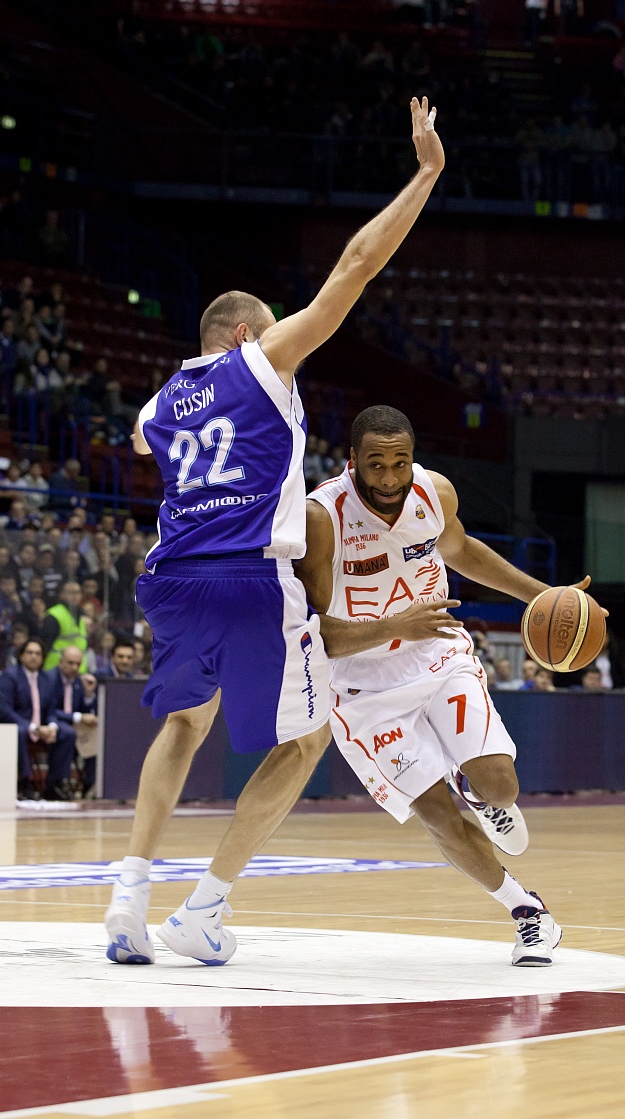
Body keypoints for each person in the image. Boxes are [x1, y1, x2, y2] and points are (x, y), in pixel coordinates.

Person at [105, 96, 447, 967]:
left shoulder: (157, 403)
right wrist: (426, 173)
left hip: (170, 578)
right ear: (251, 335)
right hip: (253, 577)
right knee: (306, 739)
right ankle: (205, 909)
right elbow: (355, 265)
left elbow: (145, 440)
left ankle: (129, 894)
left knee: (183, 726)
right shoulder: (265, 360)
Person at [296, 406, 603, 966]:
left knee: (502, 789)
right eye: (376, 465)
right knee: (435, 814)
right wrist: (393, 626)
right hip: (360, 686)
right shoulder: (323, 518)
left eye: (400, 462)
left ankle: (474, 787)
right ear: (352, 463)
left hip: (436, 655)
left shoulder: (434, 493)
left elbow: (460, 550)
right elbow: (314, 635)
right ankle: (527, 912)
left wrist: (540, 595)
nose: (390, 478)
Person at [0, 636, 76, 800]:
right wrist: (34, 728)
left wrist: (52, 726)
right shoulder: (10, 676)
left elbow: (52, 709)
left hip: (42, 727)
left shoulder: (46, 679)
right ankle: (25, 783)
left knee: (67, 733)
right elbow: (5, 710)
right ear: (22, 655)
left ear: (42, 657)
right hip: (18, 725)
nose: (33, 656)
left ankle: (55, 783)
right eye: (29, 652)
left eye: (38, 653)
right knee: (21, 732)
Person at [46, 646, 98, 796]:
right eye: (70, 663)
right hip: (52, 722)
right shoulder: (49, 679)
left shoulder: (79, 682)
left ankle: (91, 783)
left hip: (76, 727)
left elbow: (85, 710)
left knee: (98, 732)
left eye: (78, 664)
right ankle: (58, 783)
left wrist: (88, 695)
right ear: (61, 662)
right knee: (68, 733)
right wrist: (79, 717)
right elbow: (49, 710)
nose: (74, 667)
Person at [41, 580, 88, 670]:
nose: (75, 596)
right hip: (55, 671)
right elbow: (45, 645)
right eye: (71, 593)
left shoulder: (80, 616)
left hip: (78, 671)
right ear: (62, 595)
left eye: (78, 592)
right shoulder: (54, 615)